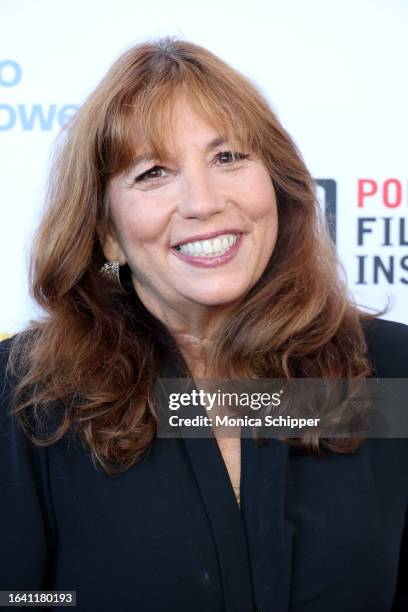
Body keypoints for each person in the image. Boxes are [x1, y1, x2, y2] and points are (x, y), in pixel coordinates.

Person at [0, 37, 407, 612]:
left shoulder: (390, 372)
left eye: (228, 157)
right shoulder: (25, 395)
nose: (202, 201)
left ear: (279, 185)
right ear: (108, 230)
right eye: (154, 172)